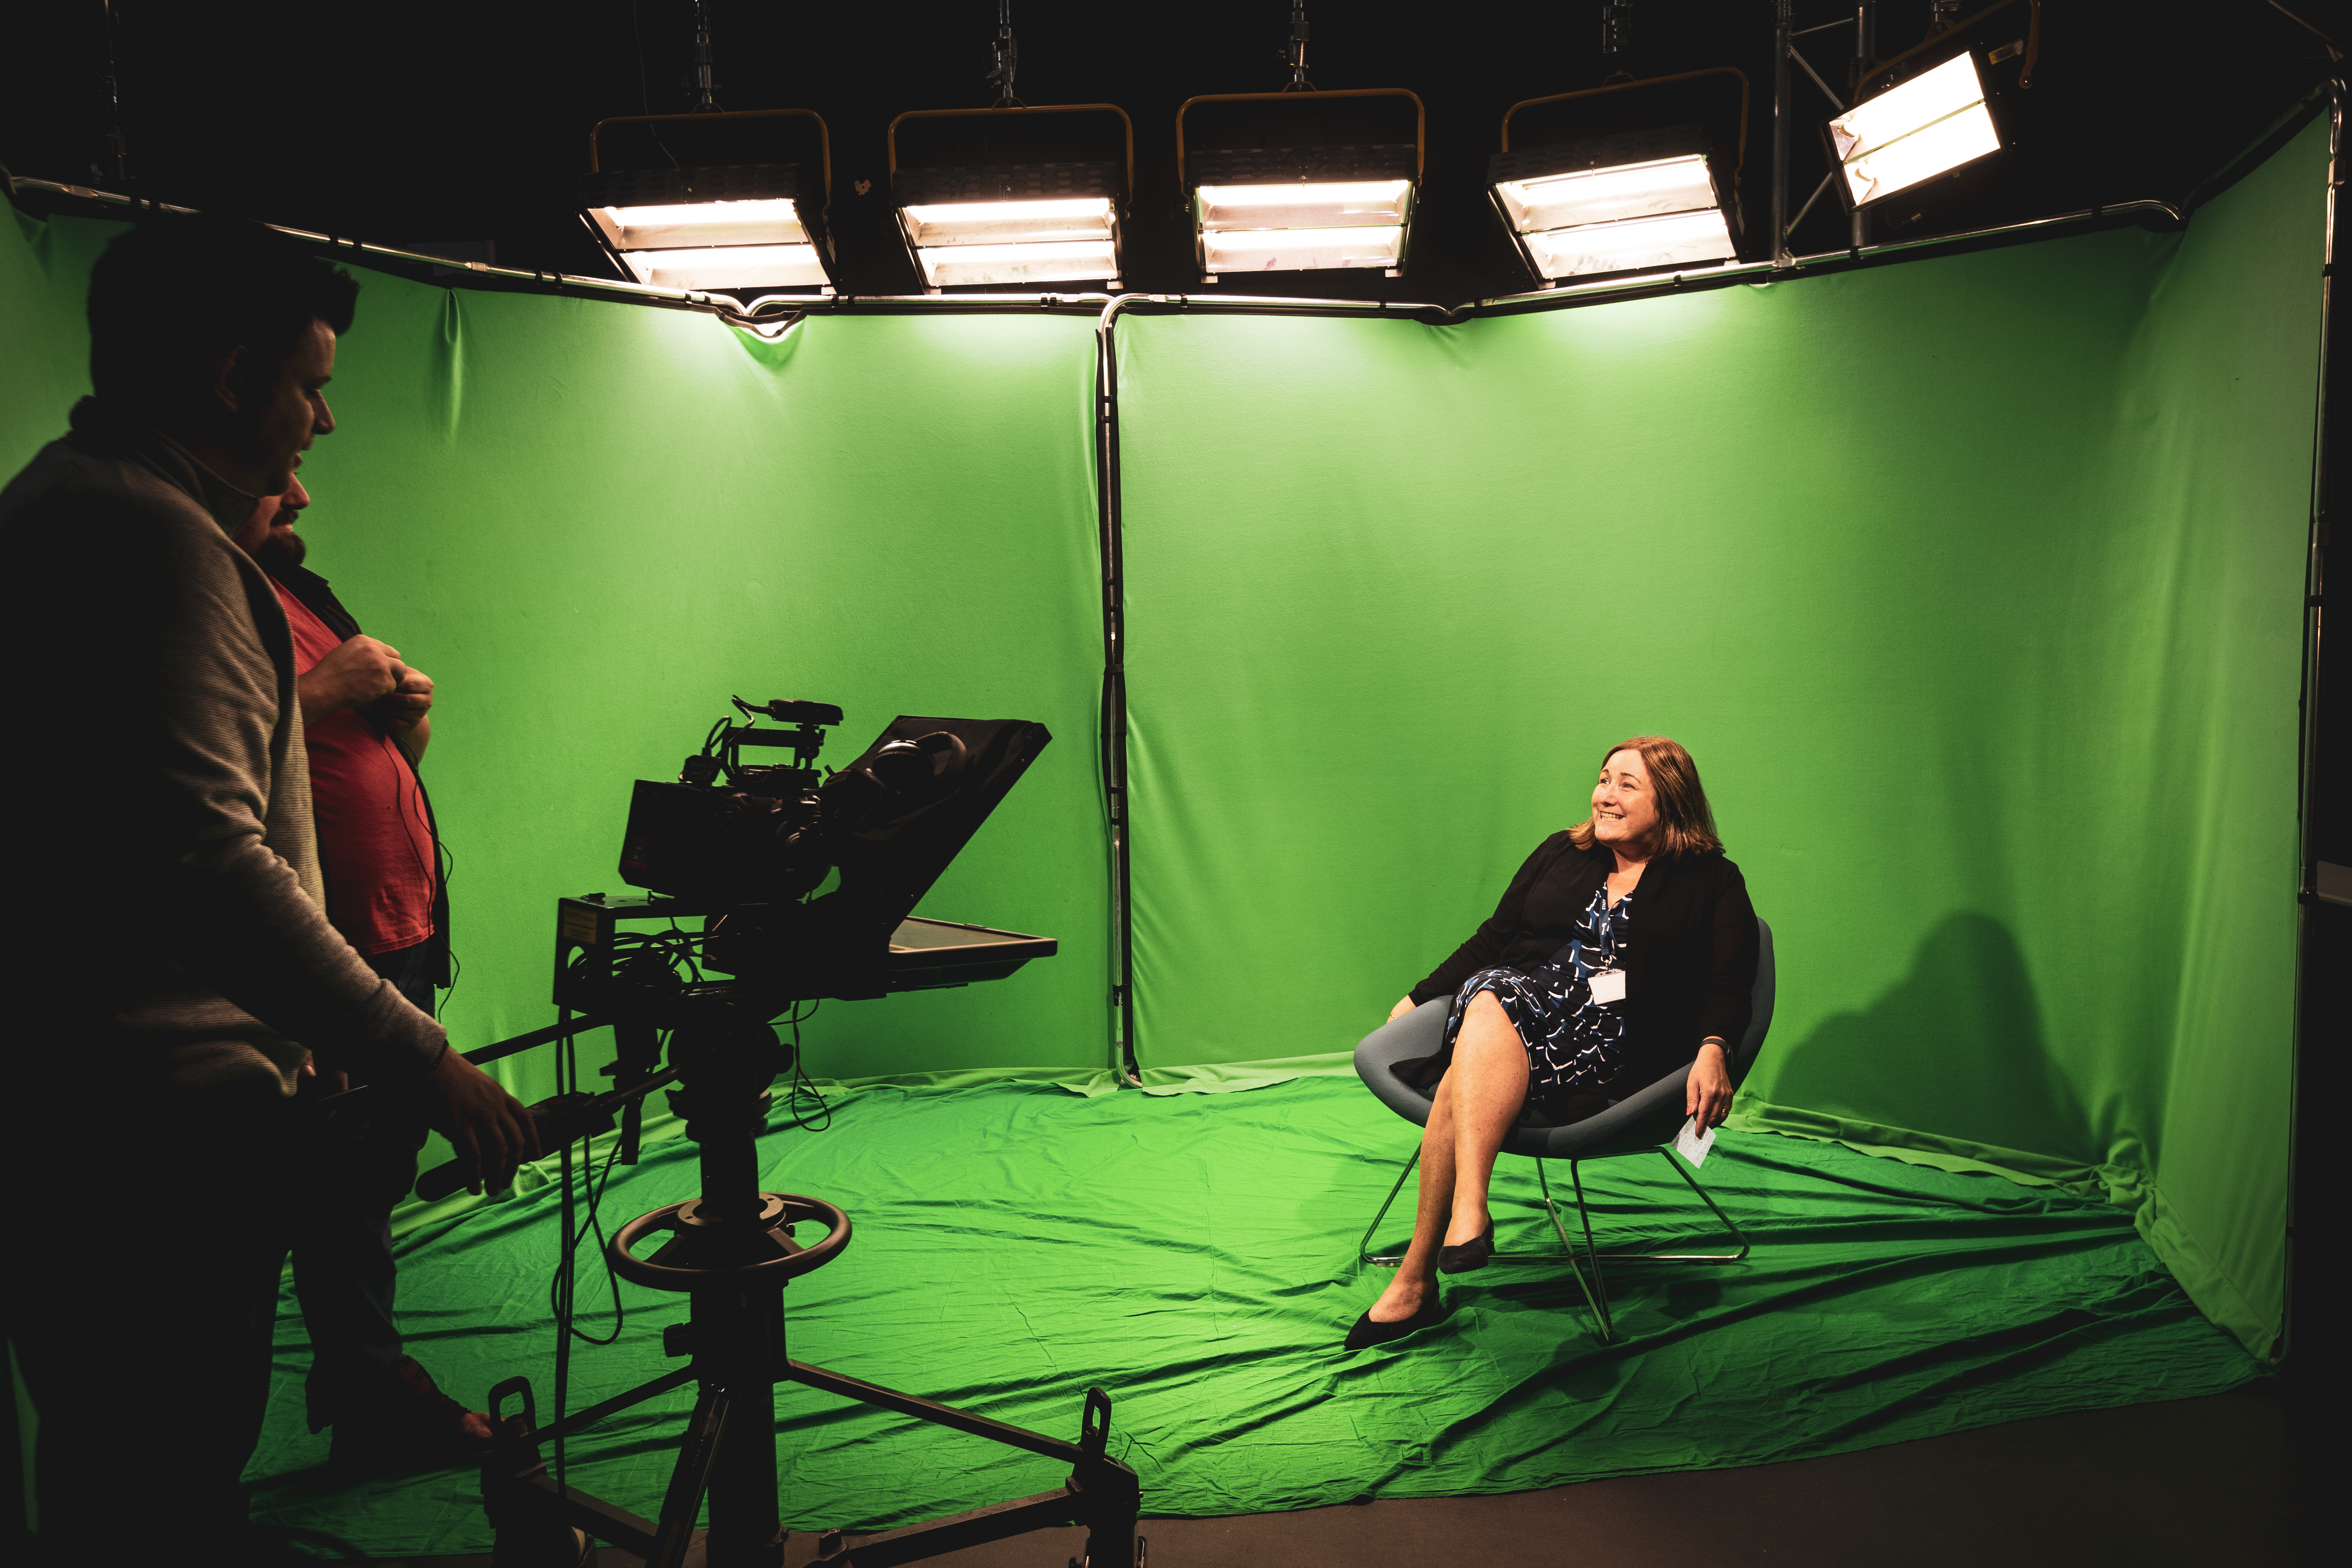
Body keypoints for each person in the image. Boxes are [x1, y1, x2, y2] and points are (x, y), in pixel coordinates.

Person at [0, 215, 537, 1565]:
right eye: (314, 385)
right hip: (151, 1138)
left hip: (95, 1110)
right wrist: (420, 1058)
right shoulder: (155, 540)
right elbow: (203, 860)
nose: (326, 426)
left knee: (127, 1463)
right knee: (163, 1464)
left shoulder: (69, 505)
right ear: (233, 375)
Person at [231, 475, 492, 1471]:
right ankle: (370, 1386)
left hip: (397, 930)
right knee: (328, 1181)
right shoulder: (205, 603)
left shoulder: (298, 593)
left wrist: (404, 719)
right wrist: (321, 694)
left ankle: (362, 1378)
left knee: (370, 1171)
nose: (299, 488)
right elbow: (199, 771)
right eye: (272, 479)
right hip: (319, 952)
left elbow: (353, 757)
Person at [1346, 736, 1758, 1352]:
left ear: (1669, 801)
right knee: (1492, 993)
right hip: (1517, 1014)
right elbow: (1495, 939)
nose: (1605, 795)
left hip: (1617, 1043)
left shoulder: (1713, 882)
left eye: (1626, 784)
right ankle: (1465, 1219)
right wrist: (1417, 998)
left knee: (1470, 1059)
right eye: (1602, 779)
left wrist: (1714, 1047)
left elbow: (1730, 979)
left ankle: (1418, 1277)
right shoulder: (1561, 854)